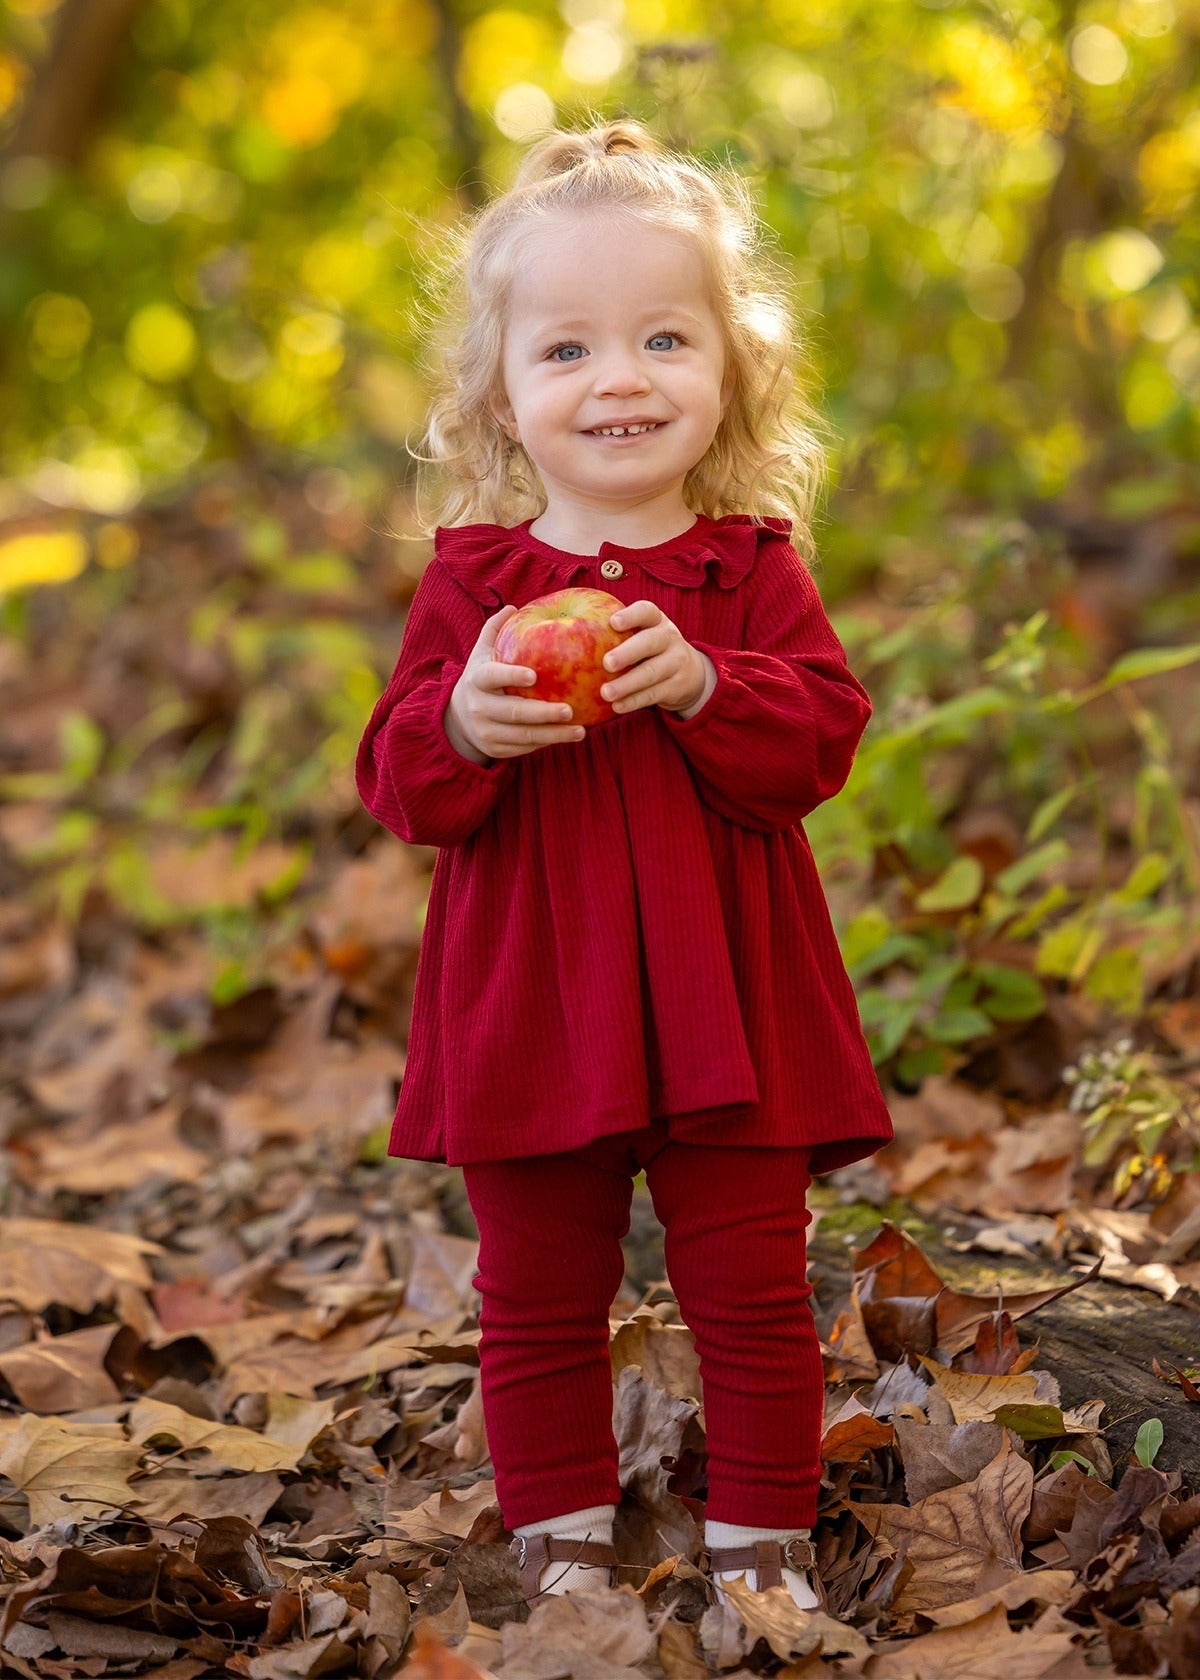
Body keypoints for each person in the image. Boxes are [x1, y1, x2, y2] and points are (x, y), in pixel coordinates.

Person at [355, 117, 894, 1614]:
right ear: (502, 393)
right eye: (570, 349)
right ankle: (566, 1557)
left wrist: (712, 684)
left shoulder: (748, 567)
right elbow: (396, 779)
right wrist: (464, 715)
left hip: (730, 999)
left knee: (752, 1288)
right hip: (533, 996)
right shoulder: (474, 583)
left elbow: (823, 739)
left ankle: (760, 1551)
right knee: (534, 1297)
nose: (621, 379)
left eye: (665, 337)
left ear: (732, 372)